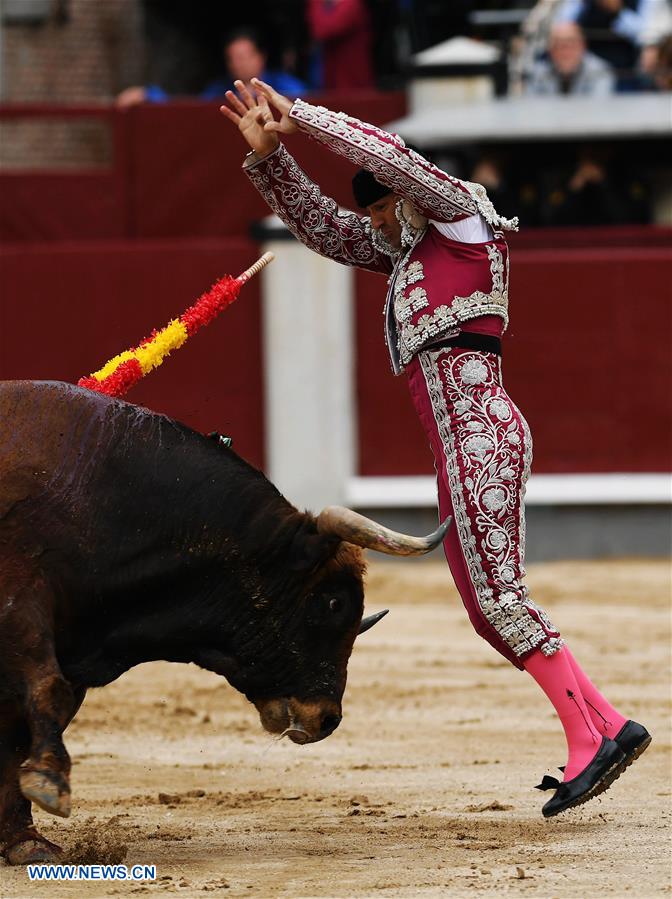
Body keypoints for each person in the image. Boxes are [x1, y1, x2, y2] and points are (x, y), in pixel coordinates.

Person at [219, 79, 651, 818]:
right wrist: (268, 160)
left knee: (497, 596)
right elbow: (326, 229)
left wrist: (306, 119)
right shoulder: (409, 253)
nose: (380, 223)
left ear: (408, 192)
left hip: (482, 433)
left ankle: (590, 738)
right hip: (459, 443)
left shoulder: (460, 217)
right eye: (376, 214)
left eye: (385, 206)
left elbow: (385, 152)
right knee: (488, 607)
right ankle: (607, 724)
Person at [117, 28, 306, 108]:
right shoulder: (221, 90)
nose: (237, 64)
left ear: (260, 58)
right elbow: (192, 112)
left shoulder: (284, 85)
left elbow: (306, 105)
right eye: (232, 59)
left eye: (242, 57)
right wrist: (149, 95)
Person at [524, 20, 616, 94]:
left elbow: (598, 109)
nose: (566, 51)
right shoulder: (537, 74)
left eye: (571, 43)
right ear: (550, 50)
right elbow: (535, 109)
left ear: (583, 45)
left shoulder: (601, 71)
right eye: (559, 45)